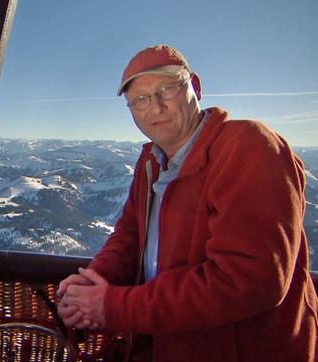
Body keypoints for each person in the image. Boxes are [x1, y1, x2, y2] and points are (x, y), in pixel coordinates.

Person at [57, 44, 317, 361]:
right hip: (167, 345)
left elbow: (249, 281)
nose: (156, 107)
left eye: (167, 88)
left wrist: (111, 307)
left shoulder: (249, 146)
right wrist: (93, 283)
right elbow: (130, 234)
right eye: (140, 100)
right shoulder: (151, 162)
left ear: (195, 86)